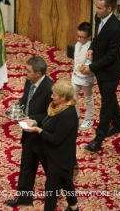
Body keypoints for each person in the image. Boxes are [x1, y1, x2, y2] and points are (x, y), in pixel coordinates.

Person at [5, 56, 54, 207]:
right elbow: (26, 99)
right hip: (28, 134)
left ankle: (57, 196)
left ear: (38, 73)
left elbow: (50, 114)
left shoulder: (50, 88)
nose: (25, 73)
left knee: (51, 170)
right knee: (26, 166)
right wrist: (16, 108)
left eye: (28, 71)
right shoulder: (29, 81)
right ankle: (24, 197)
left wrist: (33, 119)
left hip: (42, 136)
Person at [22, 80, 79, 211]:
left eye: (54, 95)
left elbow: (56, 139)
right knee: (66, 181)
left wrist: (38, 130)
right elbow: (46, 118)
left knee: (51, 189)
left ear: (63, 97)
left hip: (60, 157)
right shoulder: (56, 107)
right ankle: (74, 206)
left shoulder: (68, 114)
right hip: (53, 153)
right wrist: (34, 120)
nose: (51, 97)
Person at [81, 0, 120, 152]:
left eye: (99, 8)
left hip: (111, 71)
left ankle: (98, 140)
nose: (96, 11)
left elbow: (112, 56)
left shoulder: (116, 29)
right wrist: (92, 47)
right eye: (96, 7)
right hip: (101, 67)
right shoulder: (98, 17)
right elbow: (98, 36)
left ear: (109, 8)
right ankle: (118, 123)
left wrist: (91, 67)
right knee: (109, 96)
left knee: (105, 105)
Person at [72, 22, 95, 131]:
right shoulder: (77, 44)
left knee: (88, 99)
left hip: (86, 78)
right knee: (72, 98)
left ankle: (89, 118)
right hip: (75, 76)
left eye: (82, 37)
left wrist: (85, 67)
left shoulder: (91, 47)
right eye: (77, 36)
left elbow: (91, 63)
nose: (79, 39)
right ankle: (76, 117)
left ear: (89, 36)